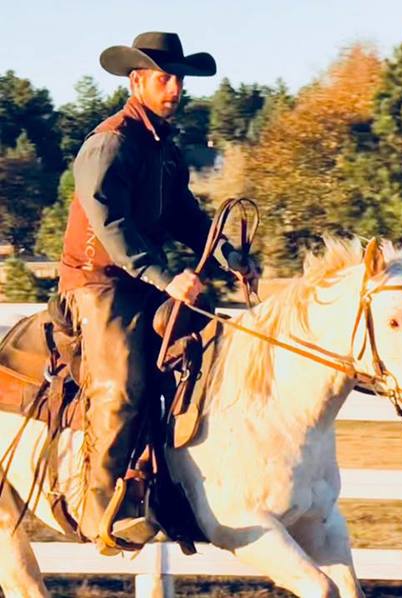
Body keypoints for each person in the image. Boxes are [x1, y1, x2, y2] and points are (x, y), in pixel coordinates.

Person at [58, 32, 256, 552]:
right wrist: (167, 278)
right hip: (99, 282)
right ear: (137, 81)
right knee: (121, 387)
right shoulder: (111, 142)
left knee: (211, 343)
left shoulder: (164, 150)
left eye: (179, 79)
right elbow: (110, 223)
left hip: (141, 281)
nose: (175, 88)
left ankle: (180, 486)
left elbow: (185, 218)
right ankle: (99, 513)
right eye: (164, 78)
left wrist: (228, 257)